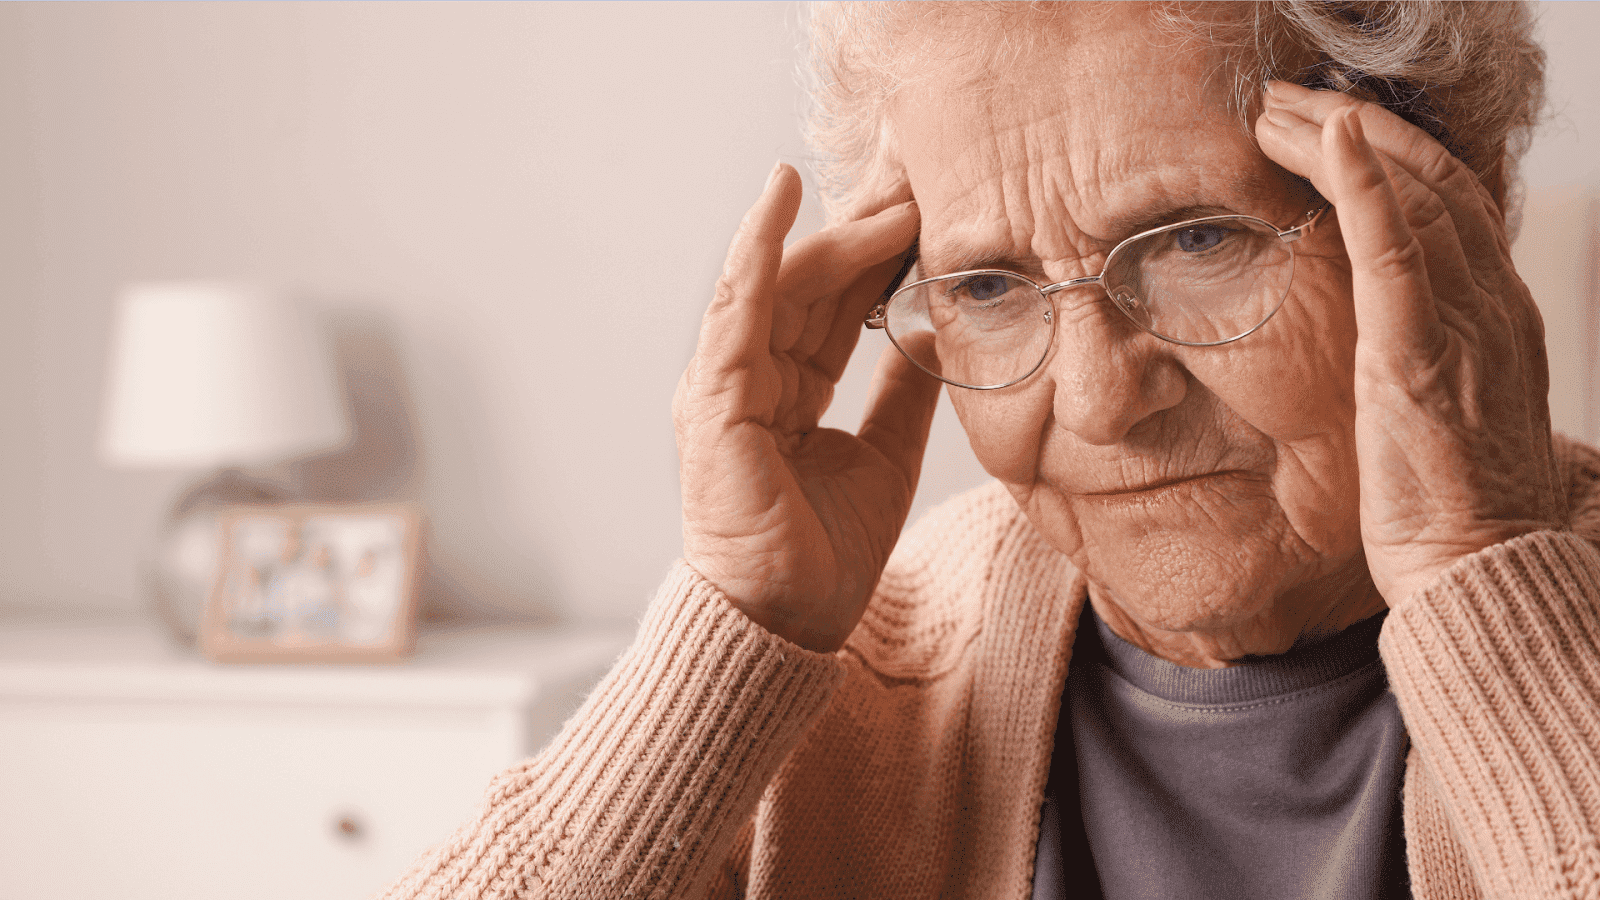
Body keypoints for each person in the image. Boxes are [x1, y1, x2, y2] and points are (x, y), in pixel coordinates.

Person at [385, 2, 1600, 898]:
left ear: (1459, 209)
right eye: (986, 282)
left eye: (1193, 240)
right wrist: (734, 621)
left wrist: (1478, 568)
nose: (1095, 397)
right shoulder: (848, 669)